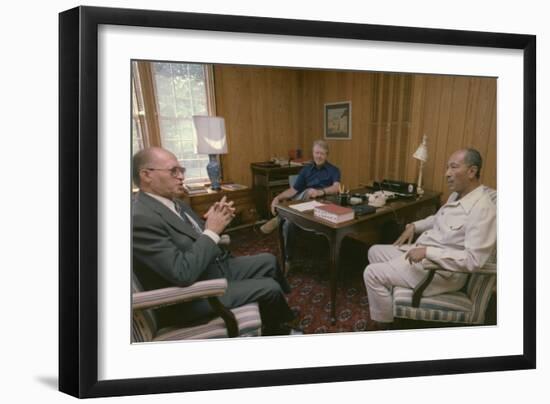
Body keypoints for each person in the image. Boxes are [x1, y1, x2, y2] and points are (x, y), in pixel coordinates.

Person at [132, 147, 300, 336]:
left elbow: (197, 236)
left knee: (269, 260)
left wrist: (216, 220)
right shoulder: (140, 218)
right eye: (173, 171)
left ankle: (280, 312)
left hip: (209, 267)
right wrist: (212, 230)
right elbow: (181, 273)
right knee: (270, 287)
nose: (181, 176)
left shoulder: (175, 202)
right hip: (188, 297)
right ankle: (277, 331)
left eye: (182, 171)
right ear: (146, 175)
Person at [363, 148, 496, 329]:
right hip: (424, 254)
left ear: (472, 171)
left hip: (440, 272)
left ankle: (386, 328)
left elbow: (473, 261)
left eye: (453, 167)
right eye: (447, 168)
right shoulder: (458, 195)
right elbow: (437, 219)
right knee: (374, 251)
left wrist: (427, 252)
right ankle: (392, 297)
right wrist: (414, 226)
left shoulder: (482, 209)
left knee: (372, 274)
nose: (447, 174)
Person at [260, 140, 341, 271]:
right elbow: (294, 190)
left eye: (322, 153)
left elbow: (336, 188)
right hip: (304, 207)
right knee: (288, 224)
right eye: (316, 153)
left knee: (307, 194)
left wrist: (320, 192)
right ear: (313, 153)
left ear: (327, 155)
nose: (318, 156)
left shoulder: (334, 170)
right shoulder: (306, 170)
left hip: (324, 205)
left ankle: (281, 215)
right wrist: (278, 197)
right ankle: (288, 260)